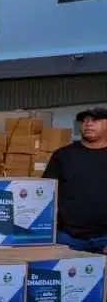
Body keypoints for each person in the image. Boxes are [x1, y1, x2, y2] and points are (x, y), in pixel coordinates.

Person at [43, 106, 107, 253]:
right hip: (68, 238)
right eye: (84, 120)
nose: (88, 124)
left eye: (95, 120)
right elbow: (46, 192)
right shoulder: (63, 155)